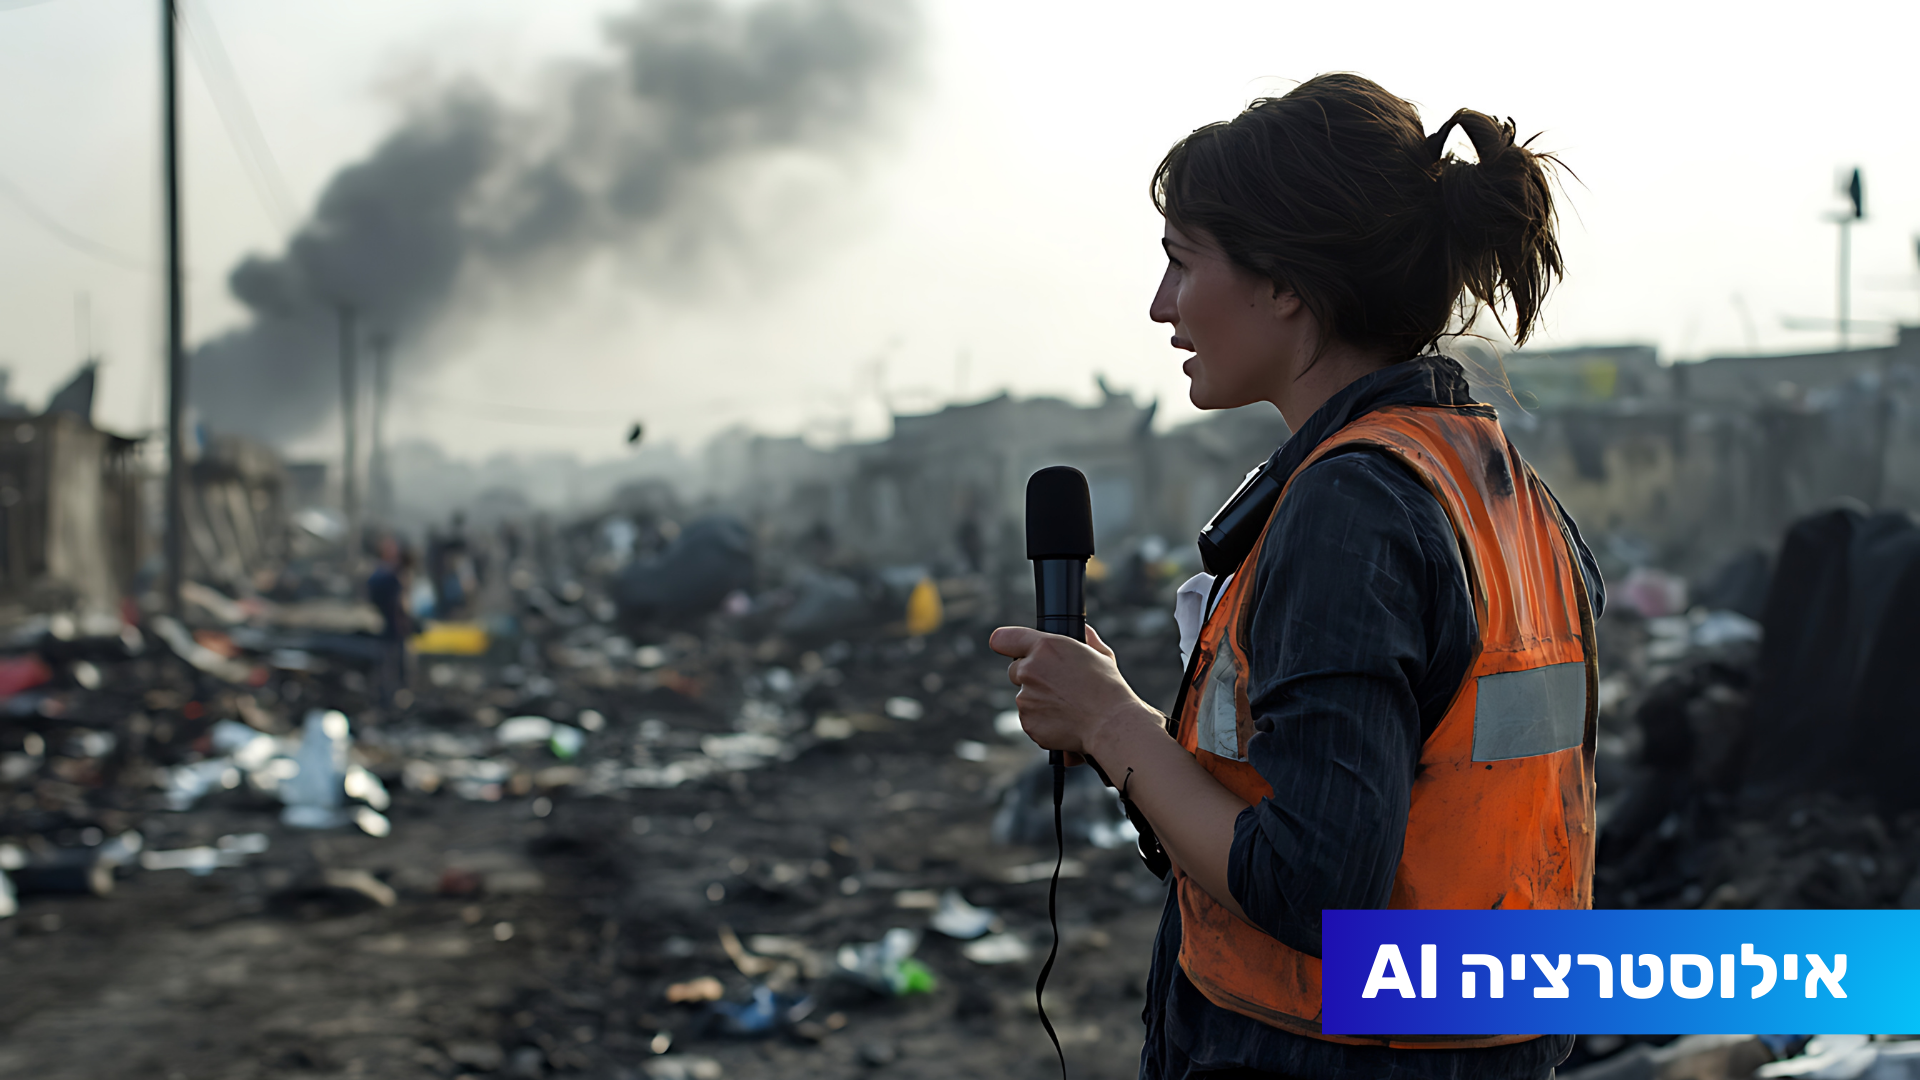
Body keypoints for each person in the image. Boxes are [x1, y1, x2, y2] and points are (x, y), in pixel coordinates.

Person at [990, 73, 1605, 1080]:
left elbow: (1317, 888)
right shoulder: (1496, 484)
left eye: (1183, 265)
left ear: (1285, 283)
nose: (1160, 307)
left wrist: (1111, 725)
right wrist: (1119, 719)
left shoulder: (1351, 508)